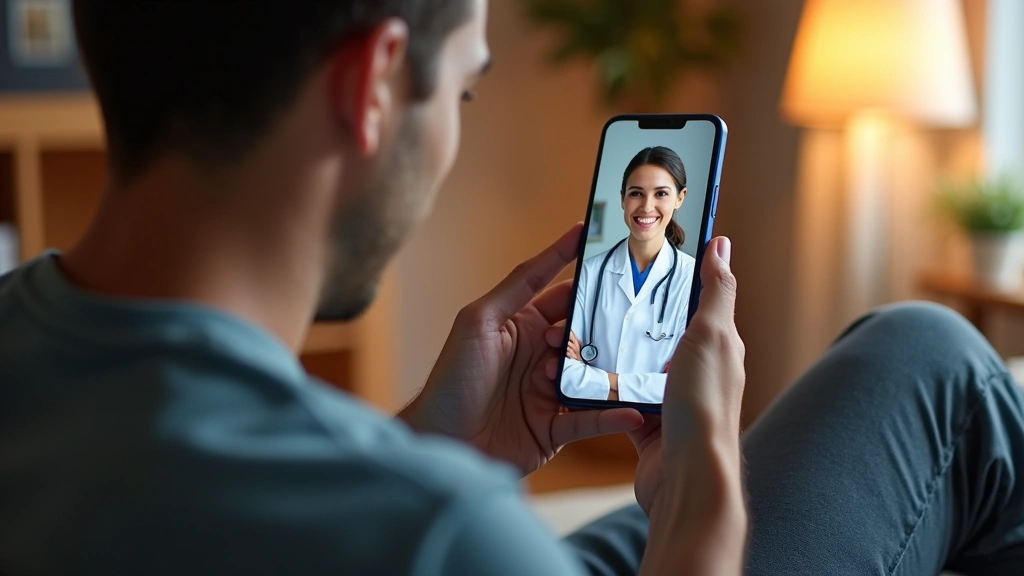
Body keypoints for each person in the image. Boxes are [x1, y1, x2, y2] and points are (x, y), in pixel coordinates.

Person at [1, 1, 1022, 575]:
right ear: (372, 84)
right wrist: (698, 495)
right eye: (464, 88)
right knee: (945, 382)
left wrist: (435, 447)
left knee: (914, 356)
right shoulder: (442, 538)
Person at [561, 146, 696, 404]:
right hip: (592, 431)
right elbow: (566, 376)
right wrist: (645, 389)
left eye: (661, 194)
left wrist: (595, 377)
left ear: (680, 198)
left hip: (656, 429)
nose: (647, 206)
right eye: (636, 193)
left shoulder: (692, 279)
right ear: (623, 198)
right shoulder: (591, 272)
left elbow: (683, 386)